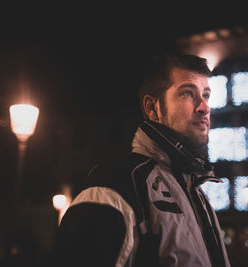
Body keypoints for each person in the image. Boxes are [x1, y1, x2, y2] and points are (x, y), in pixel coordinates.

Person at [52, 53, 231, 267]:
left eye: (206, 95)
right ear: (152, 109)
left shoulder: (197, 192)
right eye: (187, 93)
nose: (204, 107)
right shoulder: (116, 185)